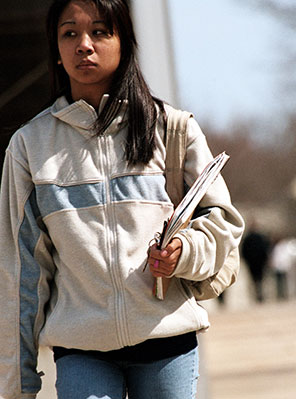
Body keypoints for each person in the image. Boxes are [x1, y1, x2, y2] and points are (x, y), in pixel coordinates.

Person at [0, 1, 244, 398]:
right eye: (70, 33)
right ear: (57, 51)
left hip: (167, 341)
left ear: (124, 42)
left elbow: (223, 225)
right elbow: (20, 272)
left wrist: (182, 251)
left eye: (99, 31)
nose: (84, 44)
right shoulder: (29, 147)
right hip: (81, 351)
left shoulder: (173, 129)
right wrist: (17, 386)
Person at [241, 222, 270, 302]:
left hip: (256, 262)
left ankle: (259, 294)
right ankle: (258, 294)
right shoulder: (258, 237)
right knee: (258, 279)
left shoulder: (253, 238)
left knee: (257, 279)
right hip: (255, 262)